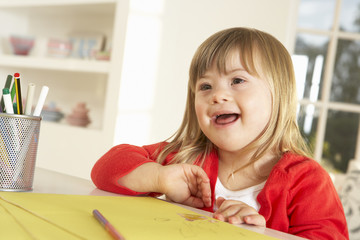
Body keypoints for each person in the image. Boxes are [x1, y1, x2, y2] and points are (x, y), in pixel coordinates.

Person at [91, 27, 349, 239]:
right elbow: (104, 169)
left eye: (237, 81)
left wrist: (261, 234)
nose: (217, 95)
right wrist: (159, 178)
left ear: (279, 94)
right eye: (205, 86)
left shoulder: (307, 181)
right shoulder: (186, 157)